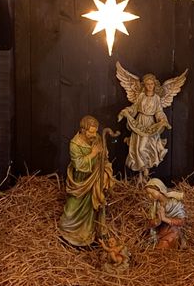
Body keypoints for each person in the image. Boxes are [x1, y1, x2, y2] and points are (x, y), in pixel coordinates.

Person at [115, 62, 187, 182]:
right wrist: (125, 112)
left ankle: (145, 172)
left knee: (145, 148)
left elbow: (159, 112)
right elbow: (134, 108)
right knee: (137, 148)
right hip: (139, 123)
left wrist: (162, 120)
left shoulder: (157, 98)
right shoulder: (141, 96)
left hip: (151, 125)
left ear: (155, 85)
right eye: (147, 84)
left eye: (151, 83)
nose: (149, 86)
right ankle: (142, 175)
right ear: (144, 85)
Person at [58, 115, 114, 247]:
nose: (94, 135)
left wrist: (105, 170)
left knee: (92, 208)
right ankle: (69, 230)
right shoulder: (75, 143)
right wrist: (93, 154)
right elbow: (78, 164)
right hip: (81, 181)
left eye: (95, 131)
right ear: (83, 130)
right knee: (72, 210)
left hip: (95, 179)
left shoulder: (97, 139)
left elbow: (104, 157)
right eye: (91, 132)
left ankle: (90, 232)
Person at [144, 177, 186, 250]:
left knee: (165, 243)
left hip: (173, 230)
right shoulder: (154, 206)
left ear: (159, 190)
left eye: (152, 193)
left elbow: (182, 222)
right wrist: (157, 221)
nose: (150, 196)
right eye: (148, 194)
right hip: (159, 231)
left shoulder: (174, 203)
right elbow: (150, 222)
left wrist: (165, 219)